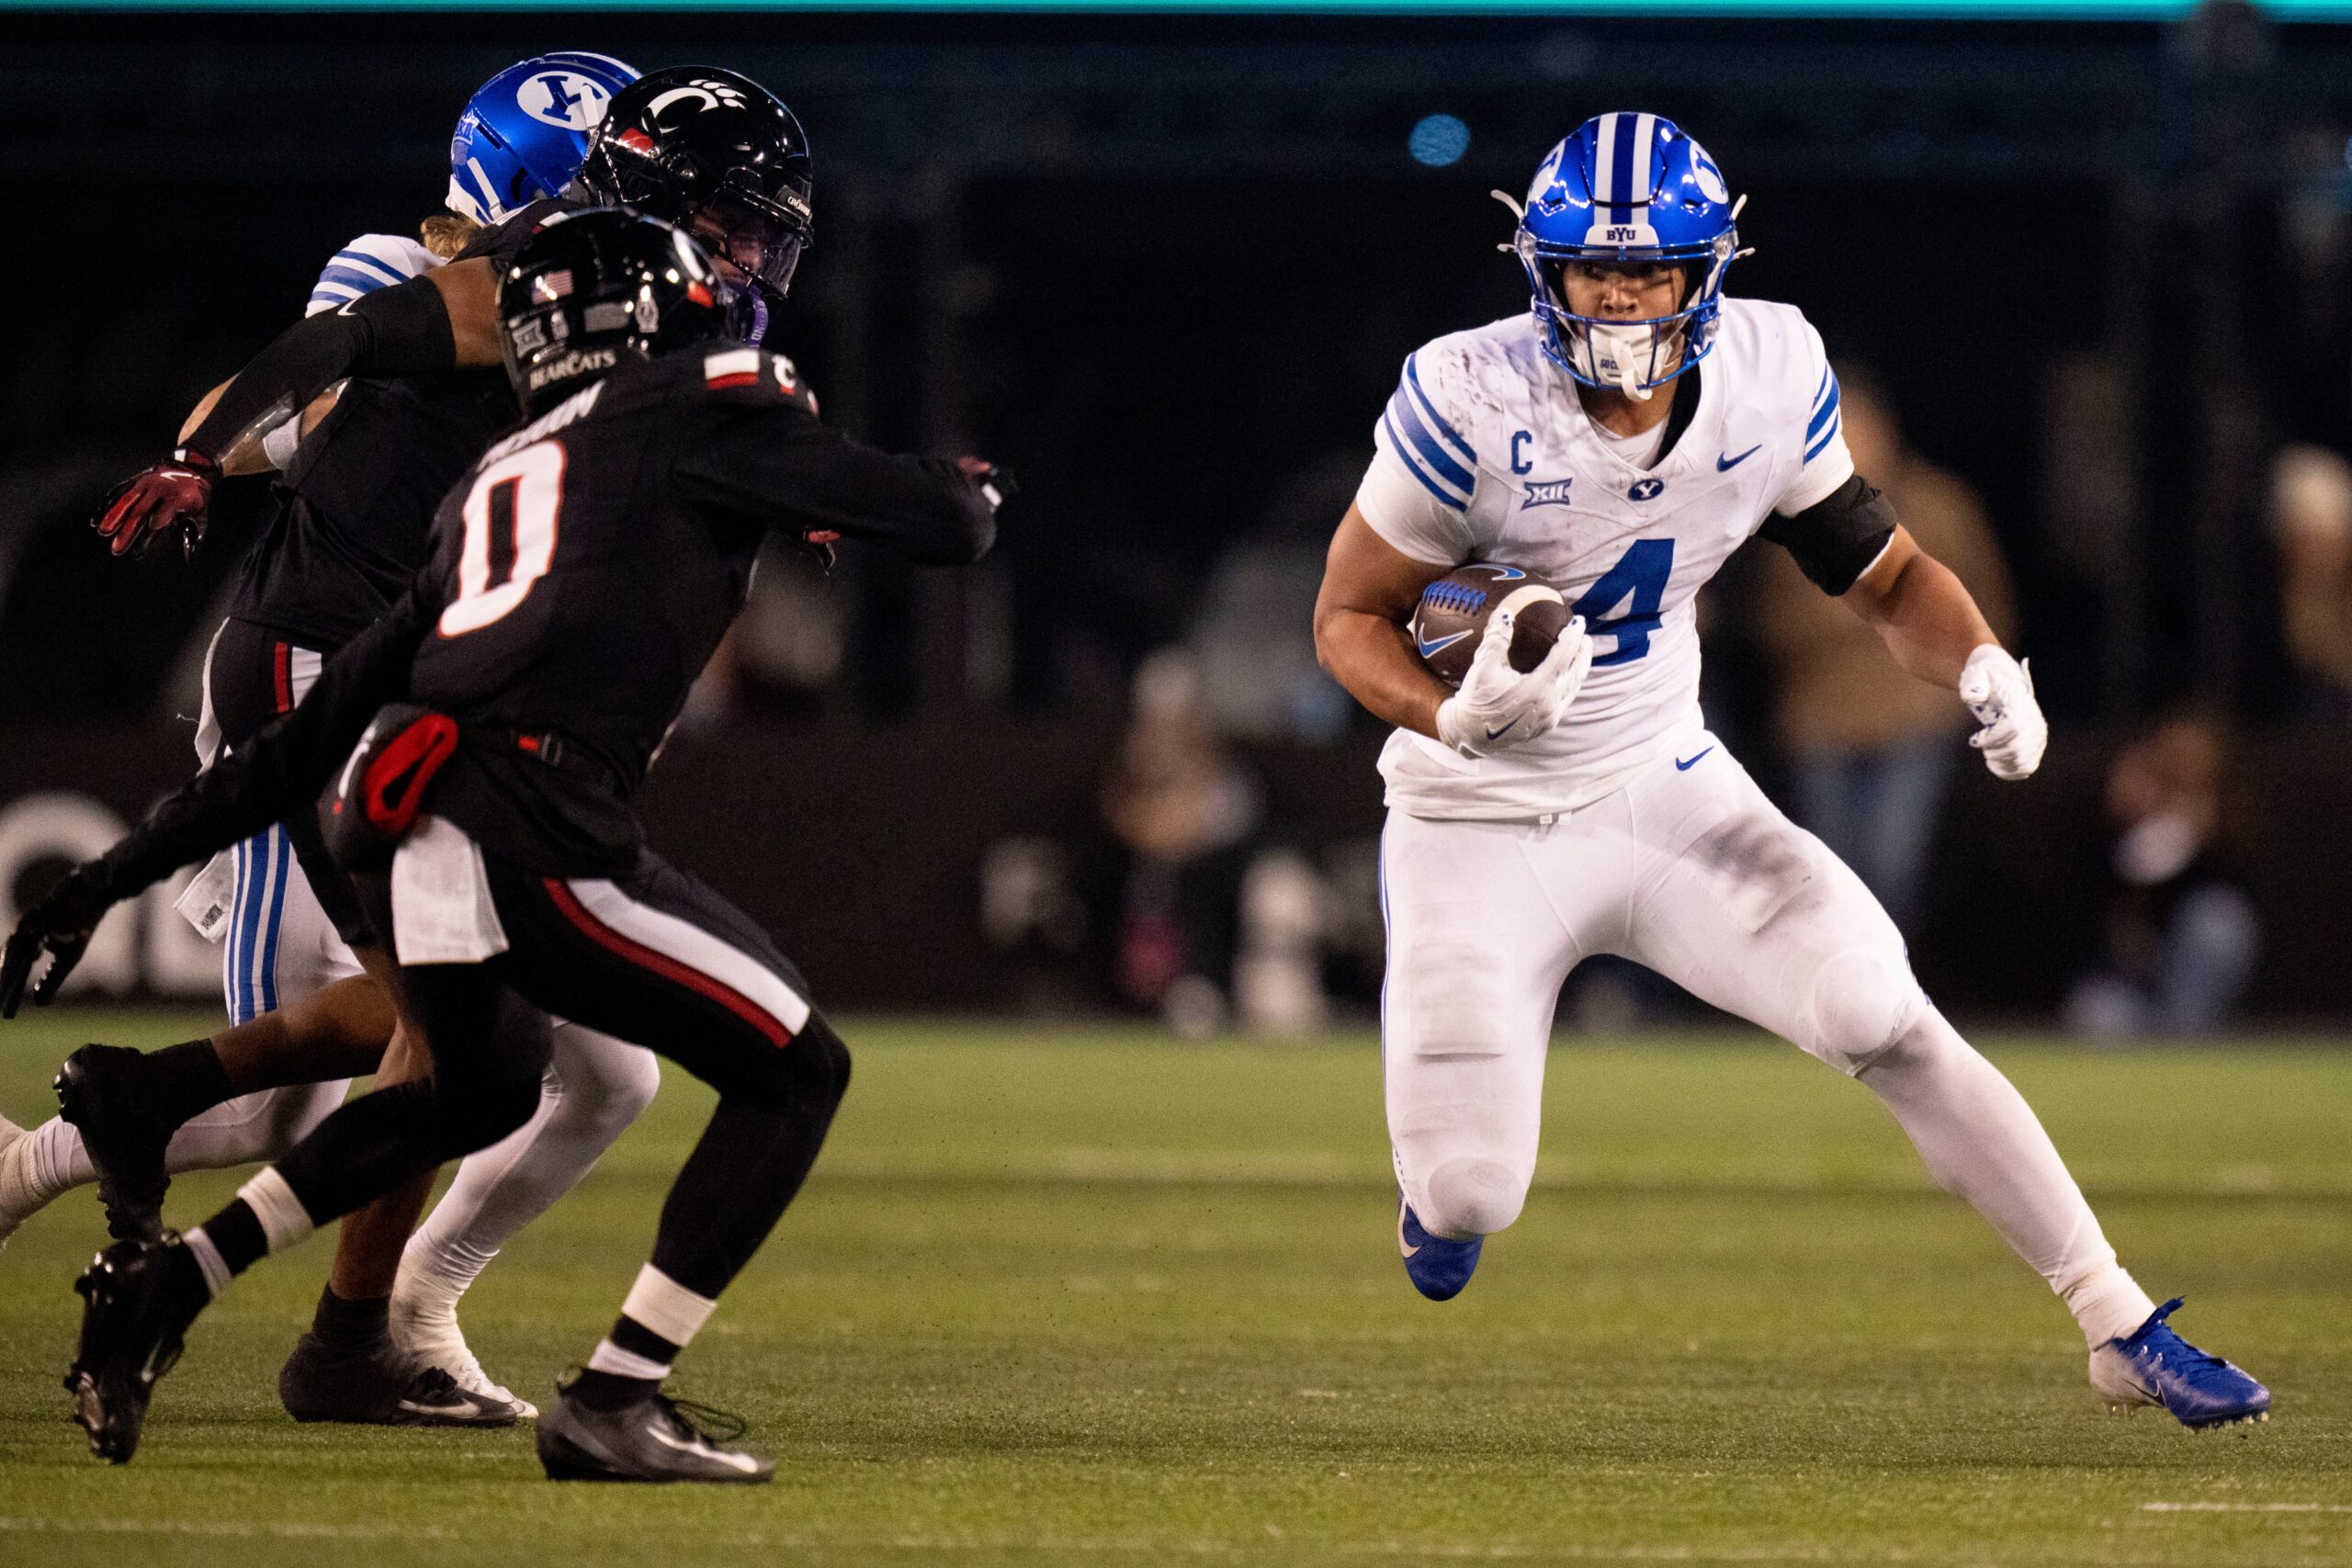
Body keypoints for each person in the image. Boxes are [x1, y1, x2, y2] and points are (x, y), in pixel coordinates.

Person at [4, 207, 1006, 1479]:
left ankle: (175, 1282)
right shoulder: (699, 405)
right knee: (796, 1069)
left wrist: (96, 881)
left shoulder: (499, 473)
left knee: (474, 1085)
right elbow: (946, 526)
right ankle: (614, 1394)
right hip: (536, 825)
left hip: (422, 821)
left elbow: (309, 740)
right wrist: (973, 484)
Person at [1309, 113, 2268, 1429]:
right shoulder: (1468, 399)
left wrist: (1983, 663)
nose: (1623, 294)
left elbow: (1882, 573)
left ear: (1710, 271)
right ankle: (1439, 1205)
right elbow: (1346, 617)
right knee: (1475, 1188)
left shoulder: (1769, 372)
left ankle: (2114, 1314)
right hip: (1472, 820)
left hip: (1661, 783)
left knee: (1882, 1007)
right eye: (1595, 268)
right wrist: (1443, 712)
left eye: (1652, 269)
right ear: (1545, 272)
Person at [0, 51, 650, 1428]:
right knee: (332, 1078)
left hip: (439, 692)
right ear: (541, 189)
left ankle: (402, 1312)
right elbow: (301, 406)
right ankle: (48, 1170)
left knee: (603, 1066)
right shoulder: (421, 284)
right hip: (319, 672)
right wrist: (204, 457)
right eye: (615, 183)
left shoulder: (603, 307)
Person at [1752, 366, 2017, 933]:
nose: (1856, 440)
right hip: (1822, 719)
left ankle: (1889, 997)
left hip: (1913, 716)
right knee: (1831, 872)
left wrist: (1969, 668)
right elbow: (1773, 627)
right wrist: (1867, 612)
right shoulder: (1795, 511)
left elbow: (1988, 604)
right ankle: (1836, 997)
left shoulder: (1941, 505)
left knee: (1892, 865)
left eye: (1863, 426)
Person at [2064, 715, 2259, 1039]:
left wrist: (2201, 839)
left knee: (2219, 923)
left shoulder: (2222, 827)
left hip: (2188, 990)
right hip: (2126, 988)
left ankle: (2188, 1040)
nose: (2186, 765)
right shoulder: (2113, 827)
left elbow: (2239, 902)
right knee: (2096, 1010)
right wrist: (2121, 828)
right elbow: (2084, 907)